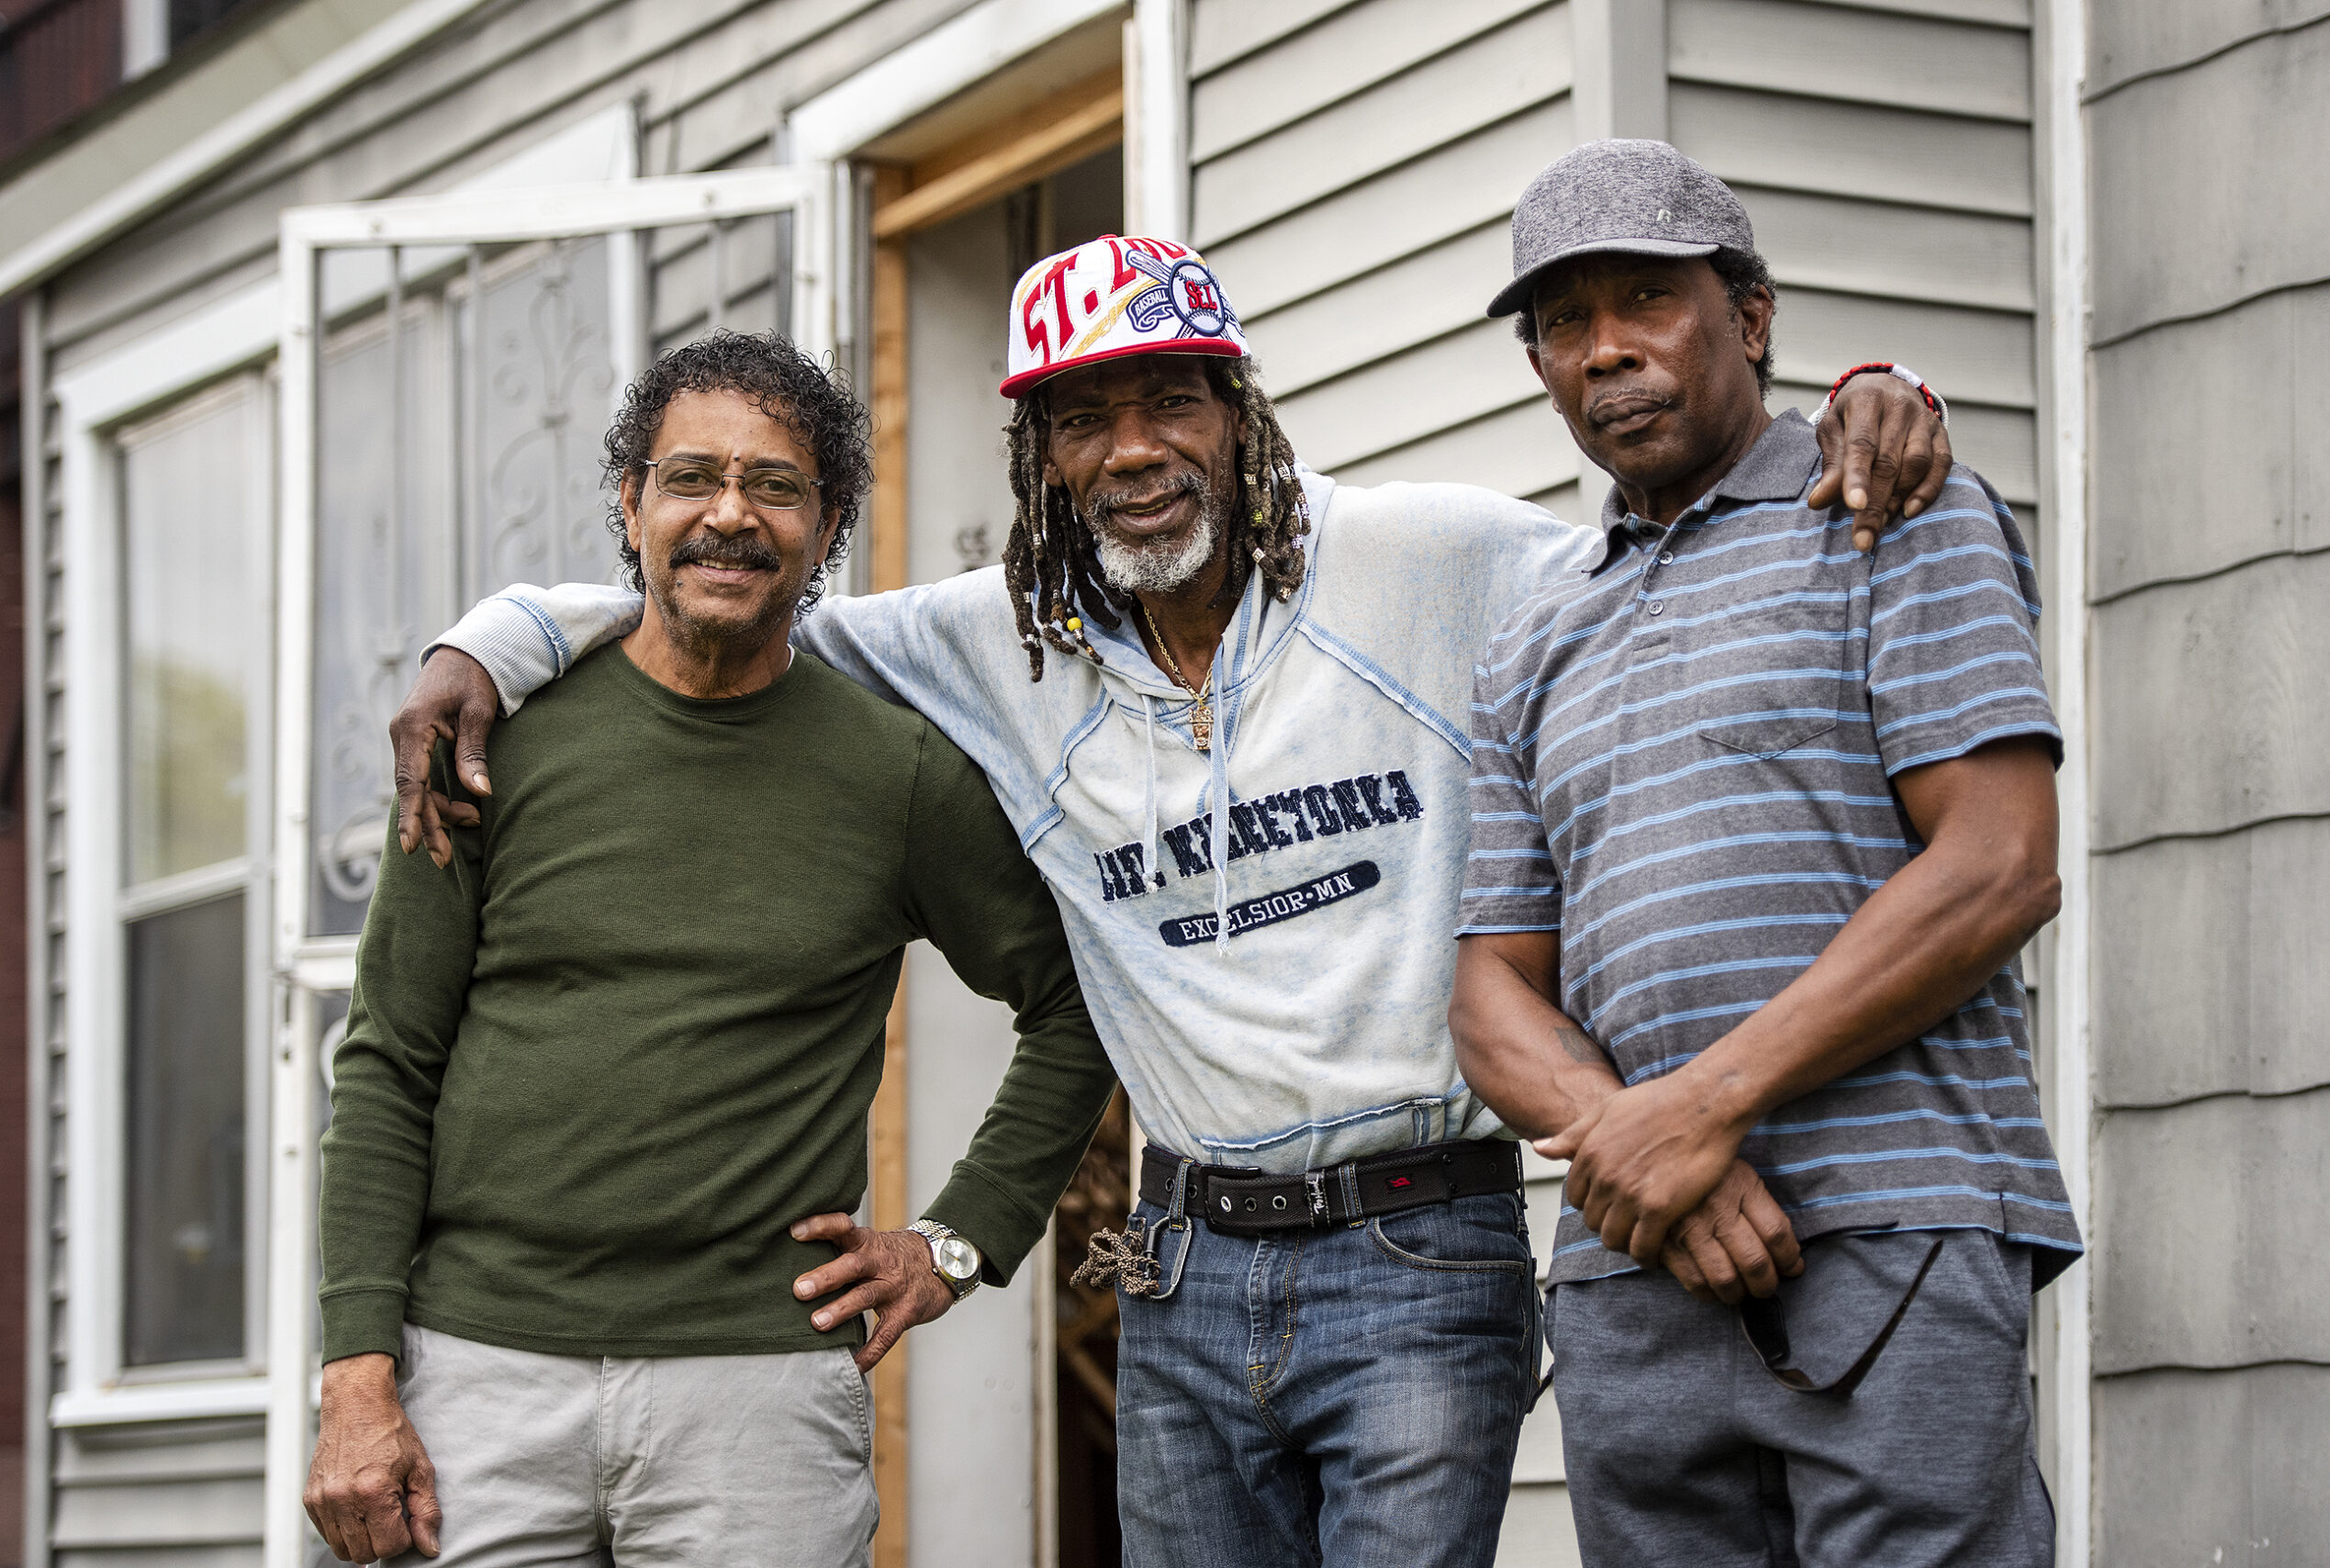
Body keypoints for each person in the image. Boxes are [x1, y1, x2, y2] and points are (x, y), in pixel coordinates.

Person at [388, 232, 1952, 1565]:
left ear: (1234, 410)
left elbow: (1659, 557)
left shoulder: (1432, 554)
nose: (1133, 449)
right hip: (1182, 1262)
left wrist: (1851, 410)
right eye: (1084, 418)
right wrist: (489, 641)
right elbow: (722, 584)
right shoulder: (984, 642)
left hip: (1422, 1245)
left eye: (1169, 399)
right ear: (1042, 456)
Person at [303, 334, 1115, 1565]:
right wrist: (357, 1373)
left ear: (826, 521)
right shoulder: (487, 746)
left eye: (776, 487)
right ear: (629, 506)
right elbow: (387, 1066)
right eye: (691, 479)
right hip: (475, 1374)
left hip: (760, 1397)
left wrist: (959, 1240)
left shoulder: (895, 776)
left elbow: (1075, 1000)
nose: (729, 515)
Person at [1449, 139, 2075, 1567]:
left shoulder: (1892, 517)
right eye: (1562, 322)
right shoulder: (1537, 632)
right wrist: (1641, 1140)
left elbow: (1998, 864)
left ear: (1751, 316)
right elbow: (1491, 994)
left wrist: (1710, 1103)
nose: (1606, 352)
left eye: (1647, 301)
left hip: (1889, 1236)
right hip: (1634, 1274)